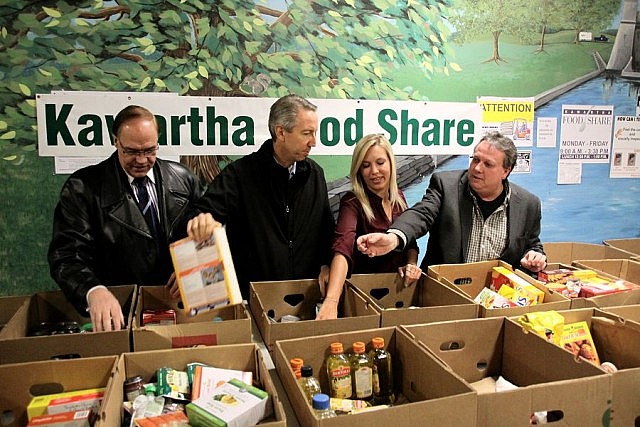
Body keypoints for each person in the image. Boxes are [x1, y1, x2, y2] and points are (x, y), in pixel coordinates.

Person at [48, 105, 205, 332]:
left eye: (150, 150)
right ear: (116, 142)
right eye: (131, 151)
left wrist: (194, 265)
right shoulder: (82, 188)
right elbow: (66, 255)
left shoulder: (184, 179)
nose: (141, 160)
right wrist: (93, 290)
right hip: (119, 315)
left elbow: (207, 233)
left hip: (179, 309)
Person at [182, 94, 335, 300]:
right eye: (307, 133)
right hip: (255, 301)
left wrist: (327, 263)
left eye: (314, 133)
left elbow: (326, 229)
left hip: (304, 299)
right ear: (281, 132)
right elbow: (197, 217)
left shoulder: (315, 175)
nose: (313, 142)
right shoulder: (239, 175)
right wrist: (201, 221)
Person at [356, 131, 547, 273]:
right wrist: (393, 238)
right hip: (446, 294)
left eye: (488, 164)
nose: (477, 168)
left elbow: (532, 244)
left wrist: (534, 255)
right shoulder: (445, 186)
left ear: (506, 171)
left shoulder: (528, 205)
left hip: (496, 300)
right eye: (475, 159)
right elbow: (421, 214)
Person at [316, 134, 421, 320]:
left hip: (396, 296)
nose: (374, 171)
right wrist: (331, 301)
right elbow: (343, 246)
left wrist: (411, 265)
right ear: (358, 170)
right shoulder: (352, 202)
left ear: (390, 163)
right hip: (363, 300)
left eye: (380, 162)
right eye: (366, 165)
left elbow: (410, 242)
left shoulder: (399, 198)